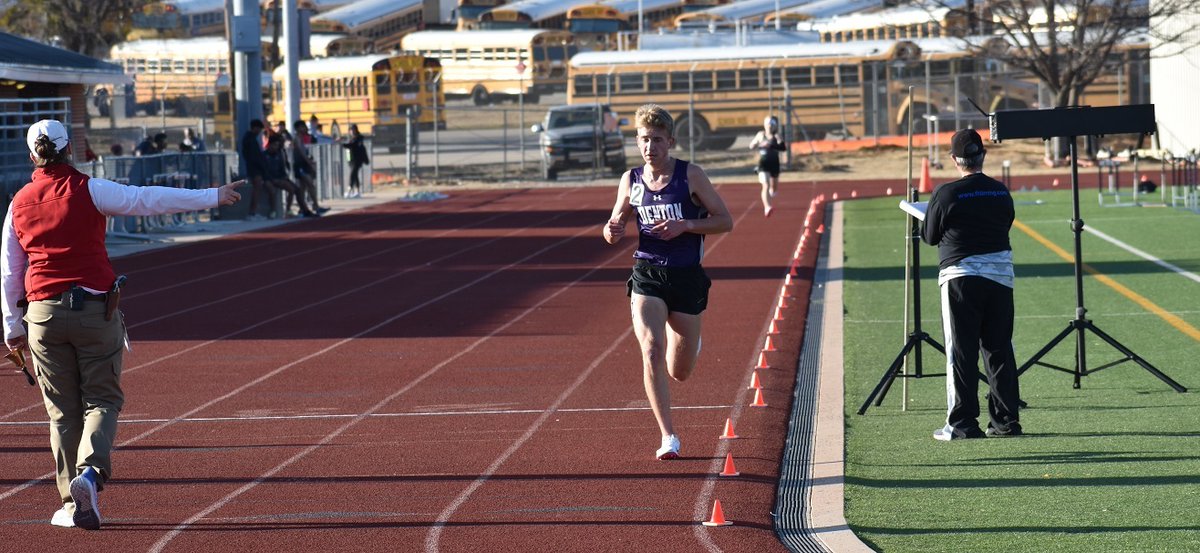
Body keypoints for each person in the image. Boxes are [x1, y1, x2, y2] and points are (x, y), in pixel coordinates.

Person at [1, 119, 242, 530]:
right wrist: (211, 195)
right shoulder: (90, 189)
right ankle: (90, 475)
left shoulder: (18, 202)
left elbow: (9, 269)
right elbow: (145, 199)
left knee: (61, 412)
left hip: (40, 315)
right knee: (102, 400)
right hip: (94, 310)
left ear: (32, 156)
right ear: (70, 149)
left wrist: (11, 327)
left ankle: (69, 502)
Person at [602, 104, 733, 460]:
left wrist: (687, 225)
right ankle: (668, 436)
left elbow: (725, 220)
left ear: (670, 141)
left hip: (687, 276)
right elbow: (614, 226)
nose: (650, 147)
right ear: (637, 142)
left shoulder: (691, 176)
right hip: (647, 274)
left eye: (657, 140)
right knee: (651, 349)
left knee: (681, 371)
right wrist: (611, 230)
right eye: (644, 140)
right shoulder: (630, 180)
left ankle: (690, 339)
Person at [920, 128, 1021, 441]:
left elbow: (930, 236)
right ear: (983, 155)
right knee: (999, 348)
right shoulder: (1000, 191)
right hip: (1000, 277)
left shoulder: (946, 193)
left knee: (961, 352)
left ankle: (963, 423)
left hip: (960, 278)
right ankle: (1005, 421)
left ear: (954, 159)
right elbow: (1006, 222)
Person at [264, 133, 317, 218]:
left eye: (278, 145)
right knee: (290, 189)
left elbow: (283, 167)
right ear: (270, 145)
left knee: (298, 190)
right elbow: (265, 170)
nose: (276, 147)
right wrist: (272, 179)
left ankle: (305, 210)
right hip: (272, 179)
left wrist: (284, 176)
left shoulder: (280, 153)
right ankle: (286, 211)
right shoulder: (265, 155)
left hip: (281, 177)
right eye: (275, 145)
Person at [749, 115, 785, 217]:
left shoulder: (777, 136)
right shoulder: (760, 135)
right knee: (765, 185)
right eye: (767, 124)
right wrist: (758, 144)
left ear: (775, 126)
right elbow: (751, 145)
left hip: (774, 163)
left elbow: (782, 148)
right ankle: (767, 207)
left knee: (774, 189)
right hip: (763, 163)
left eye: (771, 124)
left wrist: (772, 145)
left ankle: (771, 193)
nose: (769, 126)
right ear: (764, 125)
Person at [291, 121, 329, 214]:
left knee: (303, 187)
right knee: (309, 185)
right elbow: (301, 153)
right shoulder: (297, 139)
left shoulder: (302, 138)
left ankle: (303, 208)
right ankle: (314, 206)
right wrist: (310, 163)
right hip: (300, 165)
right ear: (298, 128)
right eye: (303, 127)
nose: (305, 128)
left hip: (304, 165)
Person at [240, 119, 271, 220]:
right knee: (256, 189)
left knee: (257, 189)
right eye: (259, 129)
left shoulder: (250, 138)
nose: (259, 131)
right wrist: (261, 166)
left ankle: (253, 212)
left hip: (254, 167)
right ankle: (252, 212)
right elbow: (254, 156)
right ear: (255, 128)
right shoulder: (250, 139)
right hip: (254, 168)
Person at [340, 123, 369, 198]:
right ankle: (357, 191)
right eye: (351, 130)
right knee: (355, 175)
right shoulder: (351, 138)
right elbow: (349, 144)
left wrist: (342, 144)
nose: (352, 131)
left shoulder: (358, 138)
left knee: (352, 174)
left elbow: (352, 145)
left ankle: (349, 190)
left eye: (353, 129)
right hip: (351, 159)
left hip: (357, 159)